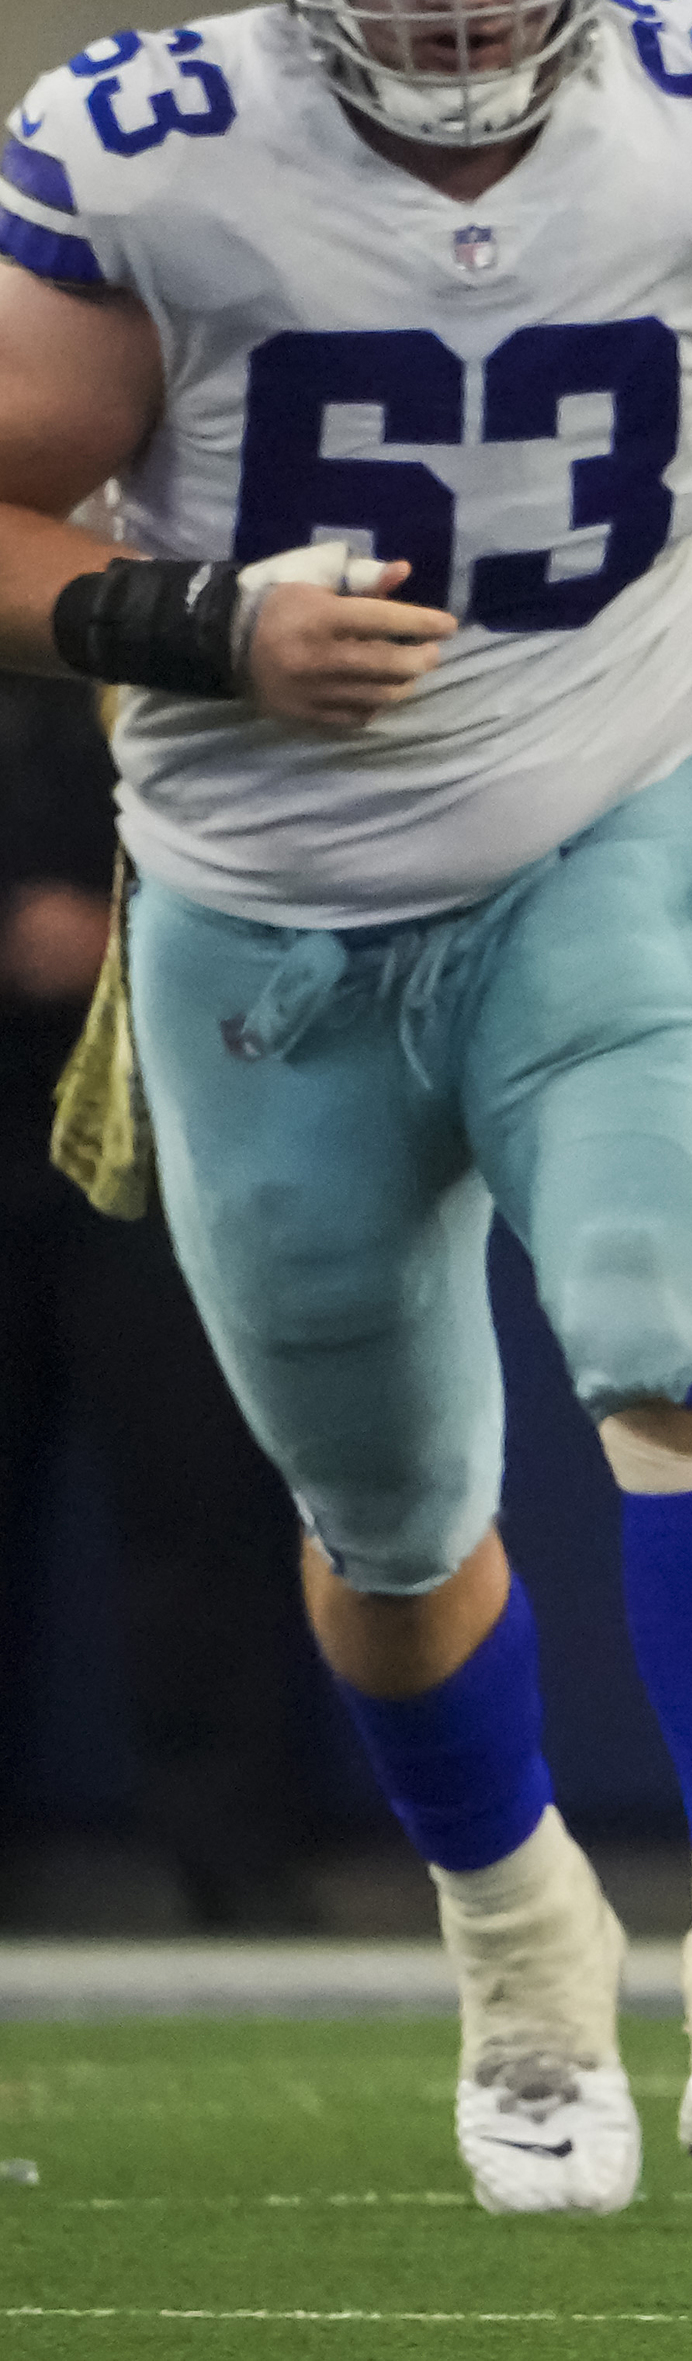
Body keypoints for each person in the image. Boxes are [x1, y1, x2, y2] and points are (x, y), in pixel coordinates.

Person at [0, 0, 692, 2210]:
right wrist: (194, 621)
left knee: (680, 1347)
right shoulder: (162, 158)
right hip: (264, 907)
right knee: (392, 1516)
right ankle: (518, 1927)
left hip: (605, 838)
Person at [0, 675, 320, 1931]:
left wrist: (126, 933)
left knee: (202, 1505)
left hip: (167, 1123)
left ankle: (237, 1860)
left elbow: (293, 856)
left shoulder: (188, 615)